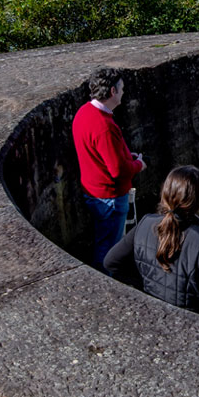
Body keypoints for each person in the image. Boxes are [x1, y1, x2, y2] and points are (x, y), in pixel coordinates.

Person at [104, 165, 199, 320]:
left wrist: (143, 284)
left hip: (152, 312)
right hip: (189, 322)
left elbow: (111, 262)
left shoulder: (145, 224)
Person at [73, 67, 144, 267]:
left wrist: (124, 156)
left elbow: (99, 154)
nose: (123, 92)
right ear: (112, 91)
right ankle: (108, 280)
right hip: (109, 196)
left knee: (102, 239)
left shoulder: (84, 112)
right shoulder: (104, 125)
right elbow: (118, 171)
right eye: (121, 89)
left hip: (94, 191)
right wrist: (138, 165)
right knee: (109, 248)